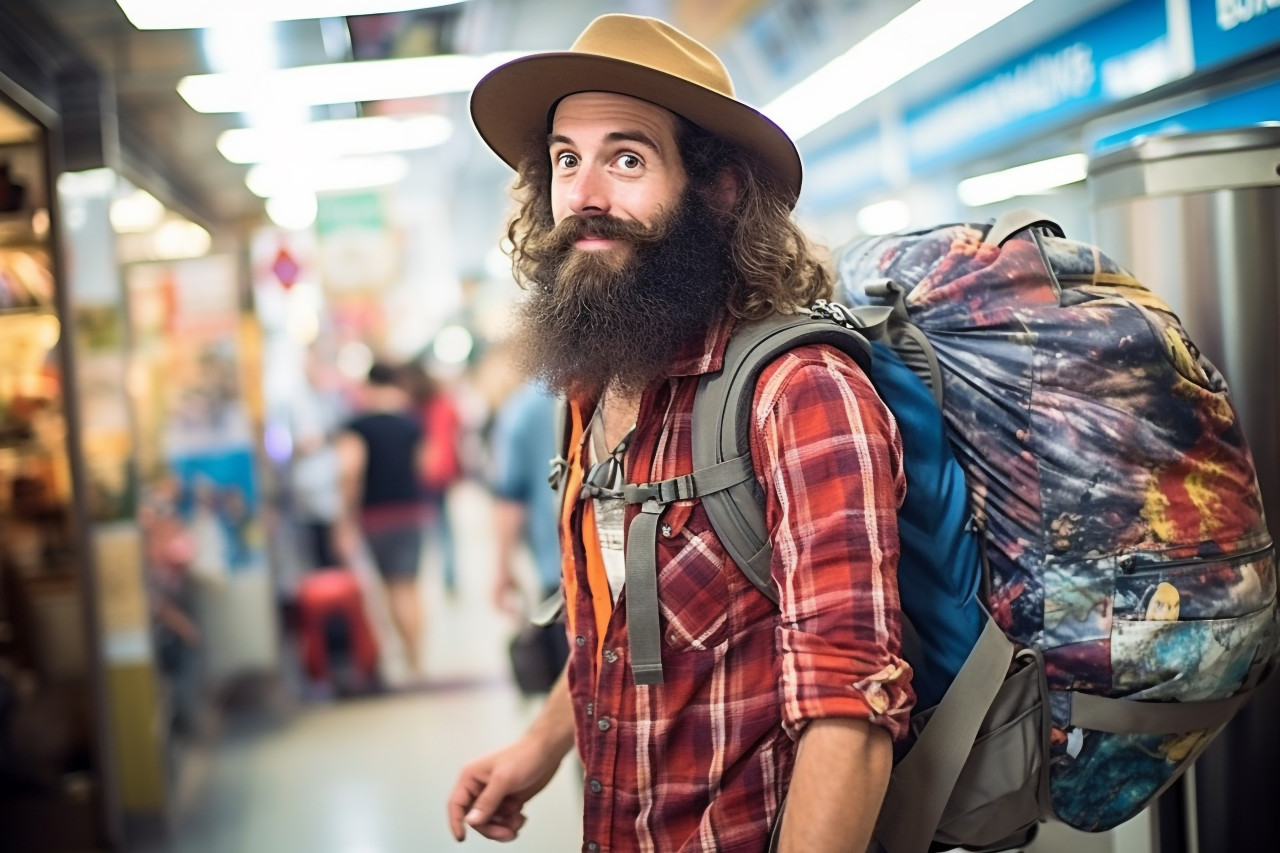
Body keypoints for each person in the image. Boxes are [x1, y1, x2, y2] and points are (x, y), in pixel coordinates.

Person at [447, 14, 913, 853]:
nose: (585, 194)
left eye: (627, 158)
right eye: (566, 158)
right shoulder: (592, 384)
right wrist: (541, 743)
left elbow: (853, 711)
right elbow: (617, 627)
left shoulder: (798, 393)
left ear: (719, 187)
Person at [335, 361, 428, 678]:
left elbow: (350, 471)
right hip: (411, 511)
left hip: (376, 515)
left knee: (389, 589)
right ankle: (417, 656)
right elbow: (423, 467)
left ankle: (407, 656)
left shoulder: (357, 426)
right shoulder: (410, 424)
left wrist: (345, 519)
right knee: (409, 586)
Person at [489, 379, 570, 691]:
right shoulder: (622, 383)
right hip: (633, 556)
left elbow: (510, 496)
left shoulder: (523, 408)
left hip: (559, 562)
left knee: (574, 677)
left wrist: (501, 567)